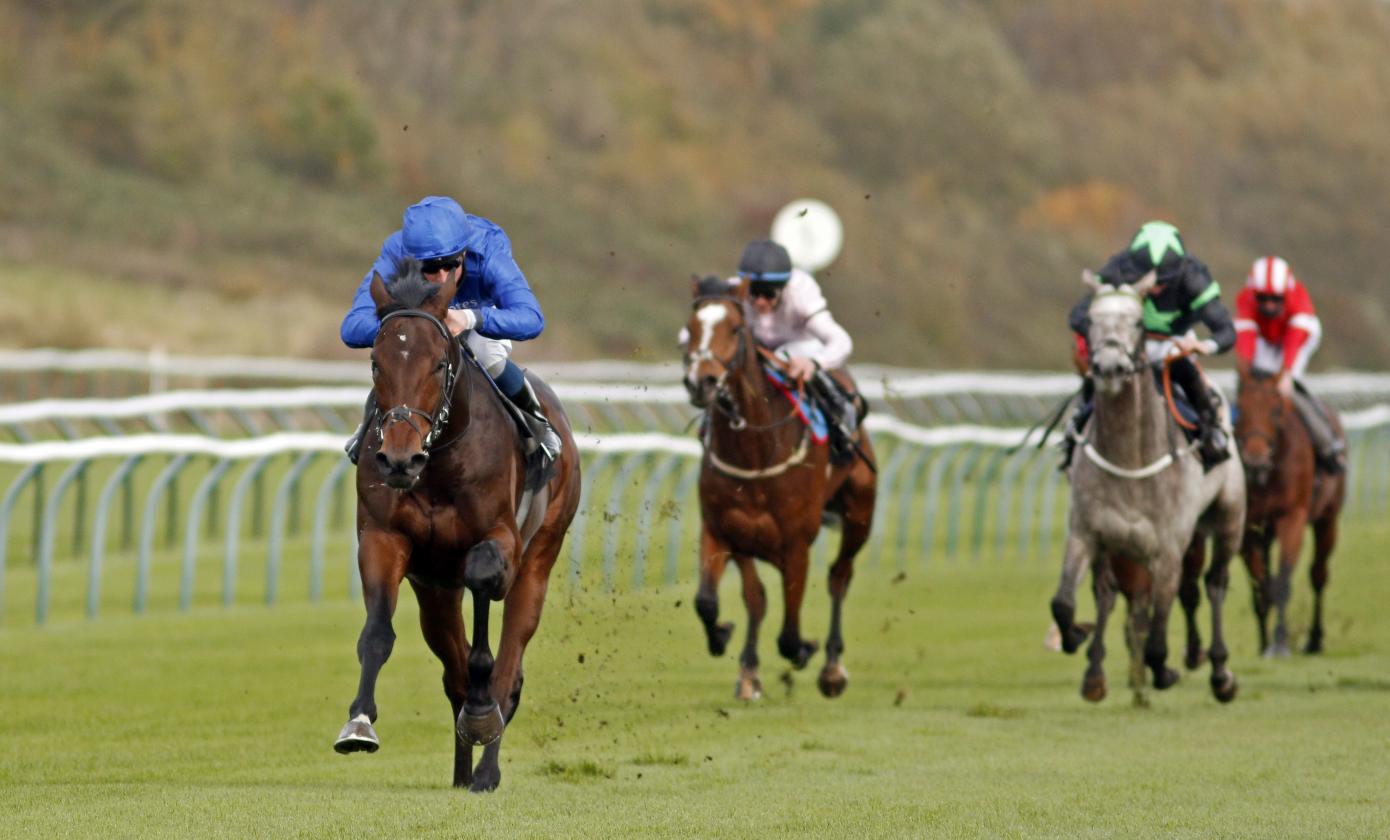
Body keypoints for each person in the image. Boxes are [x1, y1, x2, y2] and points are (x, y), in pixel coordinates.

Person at [340, 195, 560, 465]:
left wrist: (469, 318)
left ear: (465, 253)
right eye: (430, 268)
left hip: (477, 316)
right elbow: (352, 327)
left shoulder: (488, 252)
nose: (443, 278)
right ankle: (367, 430)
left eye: (451, 264)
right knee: (402, 359)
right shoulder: (396, 253)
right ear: (412, 259)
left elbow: (531, 318)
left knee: (485, 353)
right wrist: (406, 328)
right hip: (420, 323)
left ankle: (536, 422)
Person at [1061, 221, 1237, 471]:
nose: (1153, 288)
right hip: (1127, 343)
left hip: (1174, 343)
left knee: (1185, 371)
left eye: (1161, 282)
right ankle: (1076, 432)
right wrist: (1105, 334)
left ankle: (1211, 434)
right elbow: (1078, 315)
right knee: (1100, 373)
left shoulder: (1194, 277)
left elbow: (1226, 331)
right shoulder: (1117, 269)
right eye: (1146, 280)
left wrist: (1202, 346)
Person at [735, 239, 863, 461]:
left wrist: (815, 363)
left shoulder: (801, 292)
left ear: (784, 287)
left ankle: (843, 428)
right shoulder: (734, 293)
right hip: (758, 355)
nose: (760, 302)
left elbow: (841, 341)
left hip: (802, 351)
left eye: (768, 293)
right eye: (754, 292)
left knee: (788, 352)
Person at [1235, 255, 1345, 473]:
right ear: (1254, 294)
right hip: (1266, 339)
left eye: (1275, 299)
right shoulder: (1245, 299)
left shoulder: (1299, 302)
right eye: (1263, 298)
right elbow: (1246, 345)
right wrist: (1246, 376)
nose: (1268, 305)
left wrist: (1286, 375)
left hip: (1298, 339)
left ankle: (1327, 444)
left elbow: (1292, 345)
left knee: (1287, 389)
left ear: (1285, 295)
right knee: (1253, 391)